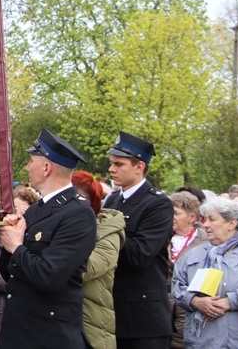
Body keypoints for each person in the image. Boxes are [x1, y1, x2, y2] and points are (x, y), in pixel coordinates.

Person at [0, 128, 97, 347]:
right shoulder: (37, 209)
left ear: (46, 167)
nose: (26, 167)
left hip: (48, 335)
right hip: (19, 328)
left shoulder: (78, 214)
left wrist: (16, 247)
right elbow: (9, 273)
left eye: (30, 161)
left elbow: (49, 277)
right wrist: (10, 239)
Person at [103, 131, 174, 348]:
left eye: (119, 164)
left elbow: (139, 255)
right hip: (113, 312)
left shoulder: (157, 204)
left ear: (139, 167)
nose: (111, 169)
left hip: (143, 317)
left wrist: (107, 236)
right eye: (111, 163)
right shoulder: (113, 199)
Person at [172, 197, 238, 348]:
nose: (206, 225)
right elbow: (176, 286)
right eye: (205, 219)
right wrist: (195, 301)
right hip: (200, 342)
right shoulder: (193, 255)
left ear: (231, 223)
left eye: (212, 219)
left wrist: (230, 302)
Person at [0, 188, 39, 349]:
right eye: (13, 209)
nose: (16, 214)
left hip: (28, 316)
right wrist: (13, 283)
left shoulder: (36, 241)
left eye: (22, 210)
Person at [71, 170, 126, 349]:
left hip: (92, 325)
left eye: (78, 199)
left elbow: (87, 268)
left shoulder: (109, 231)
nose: (70, 206)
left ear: (92, 203)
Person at [168, 191, 207, 348]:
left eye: (176, 213)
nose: (171, 217)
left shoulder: (206, 241)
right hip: (164, 306)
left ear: (192, 217)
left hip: (192, 306)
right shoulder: (161, 236)